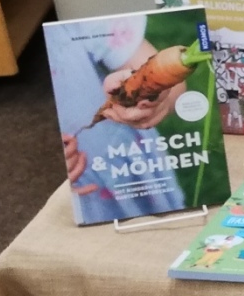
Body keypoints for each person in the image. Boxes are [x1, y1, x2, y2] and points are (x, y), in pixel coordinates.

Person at [47, 15, 189, 223]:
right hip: (75, 197)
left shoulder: (80, 18)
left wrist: (159, 101)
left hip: (121, 161)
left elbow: (174, 84)